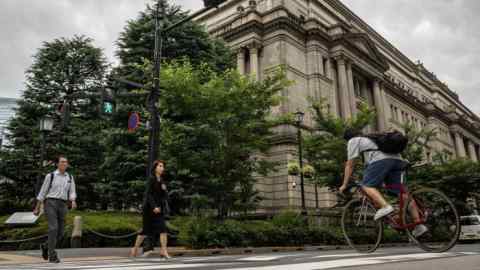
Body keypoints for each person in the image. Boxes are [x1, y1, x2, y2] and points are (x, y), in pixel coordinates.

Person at [339, 129, 428, 237]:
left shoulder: (353, 141)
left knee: (367, 185)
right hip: (398, 162)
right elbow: (371, 167)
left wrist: (344, 184)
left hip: (382, 162)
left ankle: (385, 206)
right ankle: (418, 224)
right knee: (402, 193)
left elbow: (350, 165)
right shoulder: (373, 139)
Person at [33, 156, 77, 263]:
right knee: (53, 228)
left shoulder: (70, 177)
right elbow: (43, 191)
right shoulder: (51, 176)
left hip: (63, 204)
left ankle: (45, 246)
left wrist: (73, 200)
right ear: (57, 164)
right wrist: (37, 207)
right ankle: (52, 255)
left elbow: (72, 191)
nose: (64, 164)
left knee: (61, 232)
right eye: (62, 162)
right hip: (50, 203)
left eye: (66, 162)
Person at [130, 160, 171, 259]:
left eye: (163, 166)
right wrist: (154, 207)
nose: (162, 168)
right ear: (155, 167)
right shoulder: (151, 179)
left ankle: (164, 251)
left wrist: (164, 189)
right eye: (160, 166)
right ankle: (135, 249)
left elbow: (164, 196)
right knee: (145, 231)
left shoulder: (161, 180)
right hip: (149, 210)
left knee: (163, 229)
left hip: (159, 210)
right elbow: (148, 195)